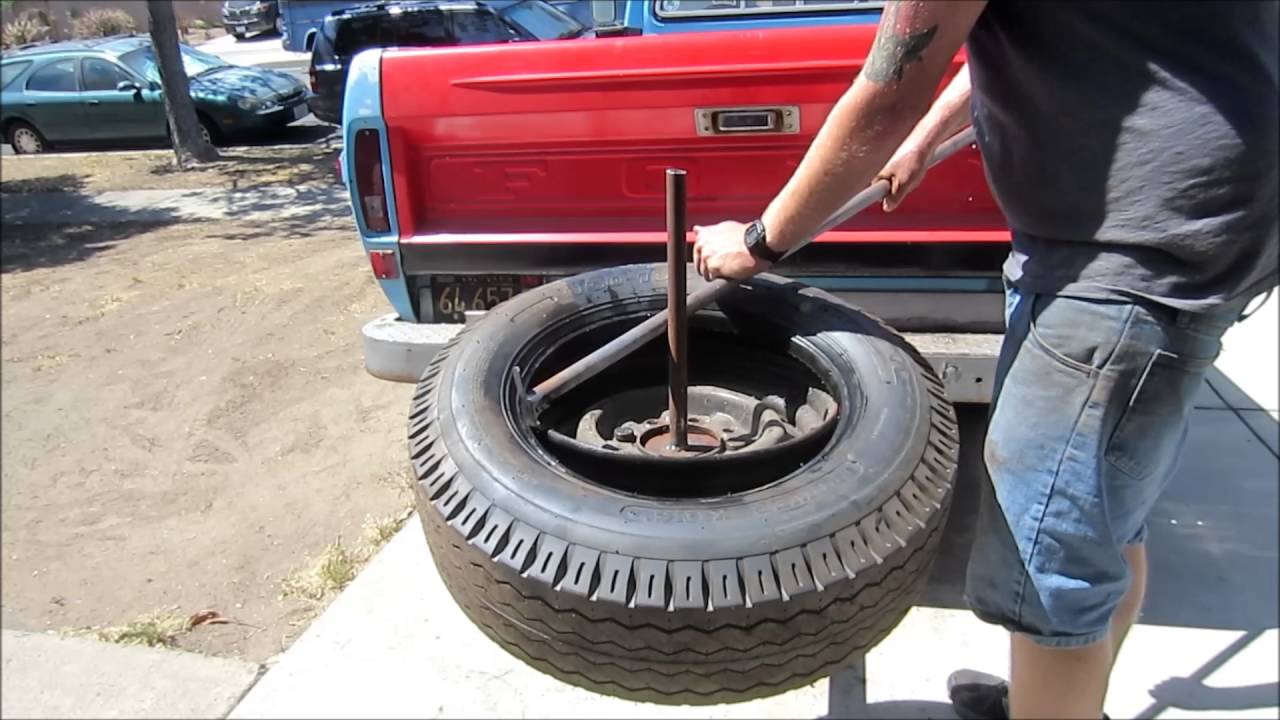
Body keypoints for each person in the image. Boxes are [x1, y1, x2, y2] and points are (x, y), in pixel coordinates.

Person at [692, 1, 1278, 718]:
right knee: (1104, 516)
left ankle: (1055, 702)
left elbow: (887, 92)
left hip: (1127, 261)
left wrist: (758, 243)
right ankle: (1060, 699)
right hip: (1195, 236)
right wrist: (928, 135)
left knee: (1047, 561)